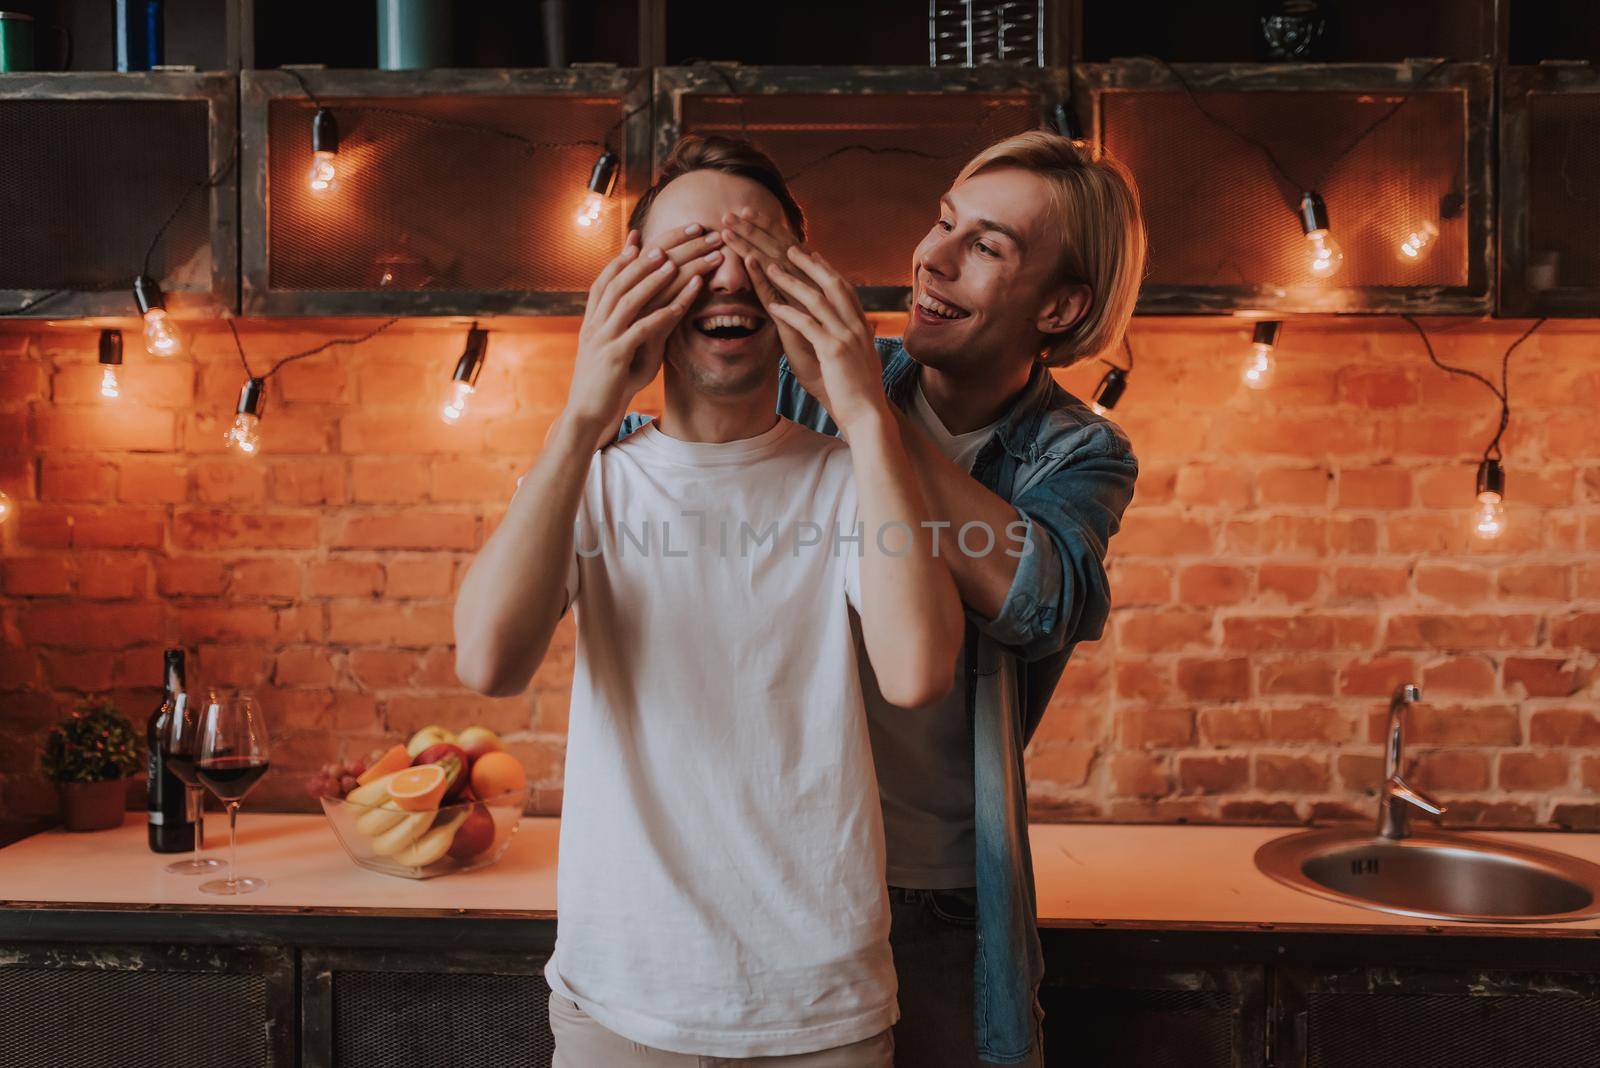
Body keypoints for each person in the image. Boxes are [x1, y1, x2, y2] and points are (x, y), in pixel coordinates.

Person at [452, 134, 965, 1066]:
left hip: (825, 1008)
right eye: (690, 251)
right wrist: (582, 411)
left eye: (758, 251)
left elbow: (920, 669)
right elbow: (487, 662)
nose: (728, 277)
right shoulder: (593, 479)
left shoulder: (852, 477)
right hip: (619, 1002)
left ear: (802, 284)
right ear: (634, 287)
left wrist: (861, 406)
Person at [719, 130, 1146, 1066]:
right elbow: (679, 445)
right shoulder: (811, 380)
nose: (933, 256)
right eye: (944, 223)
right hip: (779, 870)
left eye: (987, 246)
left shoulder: (1080, 453)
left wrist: (865, 408)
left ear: (1062, 305)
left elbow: (1041, 599)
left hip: (937, 898)